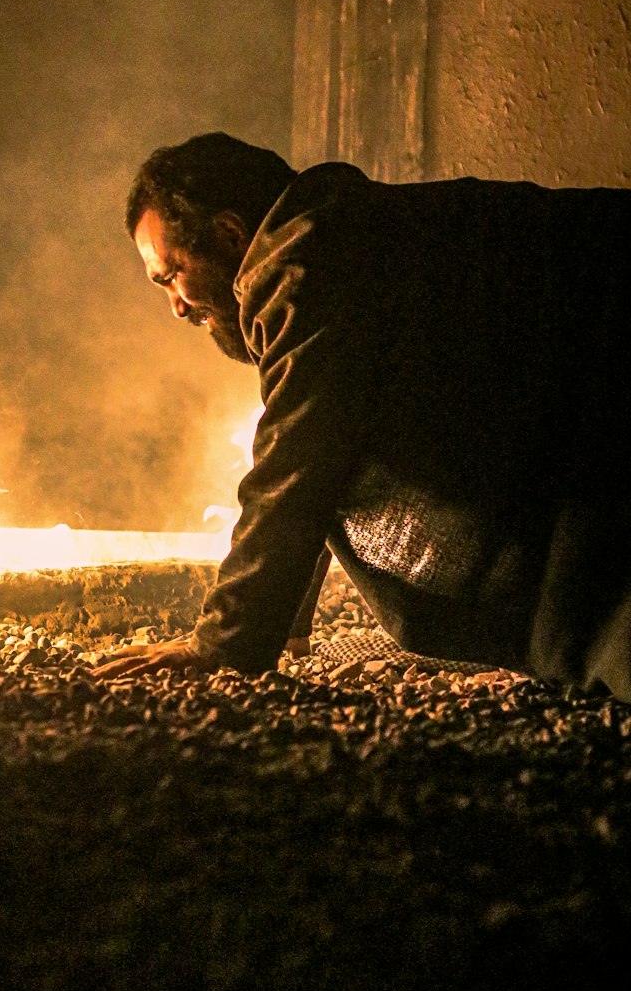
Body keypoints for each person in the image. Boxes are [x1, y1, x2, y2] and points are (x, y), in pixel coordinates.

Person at [92, 131, 631, 699]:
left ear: (229, 234)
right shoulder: (339, 239)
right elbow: (331, 437)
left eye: (171, 275)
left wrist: (222, 644)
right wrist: (287, 623)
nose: (175, 306)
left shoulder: (306, 266)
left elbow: (299, 459)